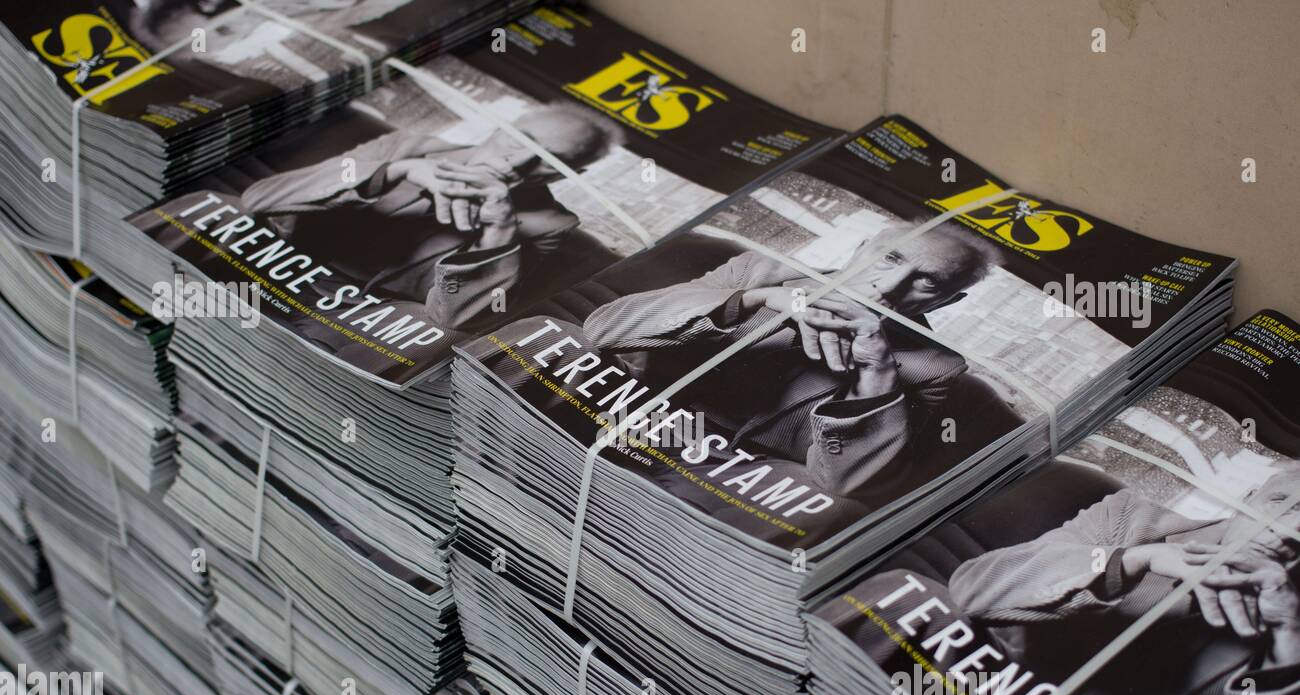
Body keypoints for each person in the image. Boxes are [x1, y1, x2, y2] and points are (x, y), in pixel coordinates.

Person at [947, 464, 1300, 695]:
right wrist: (1130, 561)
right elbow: (974, 590)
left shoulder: (1292, 633)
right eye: (1281, 502)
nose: (1287, 527)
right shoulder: (1130, 518)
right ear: (1248, 498)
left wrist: (1286, 641)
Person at [581, 218, 999, 499]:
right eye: (890, 258)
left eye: (928, 282)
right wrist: (753, 300)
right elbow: (604, 330)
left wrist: (877, 371)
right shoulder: (761, 272)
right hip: (621, 414)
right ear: (862, 247)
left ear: (949, 300)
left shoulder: (934, 366)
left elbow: (847, 483)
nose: (889, 286)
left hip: (725, 474)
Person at [239, 105, 621, 333]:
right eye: (520, 140)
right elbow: (258, 198)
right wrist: (395, 171)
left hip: (359, 311)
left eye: (550, 160)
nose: (519, 161)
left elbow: (460, 319)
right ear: (498, 128)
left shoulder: (552, 224)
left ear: (563, 175)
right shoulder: (407, 145)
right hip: (269, 264)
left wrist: (500, 231)